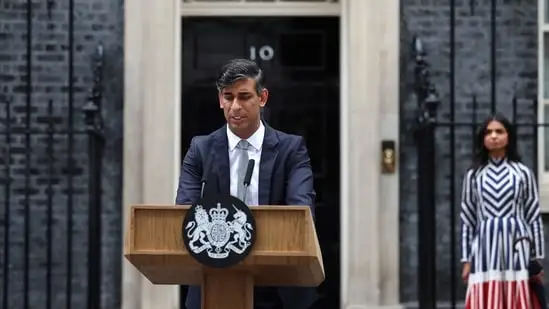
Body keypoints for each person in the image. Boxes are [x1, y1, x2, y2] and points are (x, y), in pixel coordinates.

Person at [175, 58, 318, 309]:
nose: (235, 106)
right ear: (220, 100)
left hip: (278, 288)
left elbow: (301, 217)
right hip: (214, 283)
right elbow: (184, 212)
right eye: (228, 97)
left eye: (244, 96)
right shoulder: (200, 149)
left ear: (262, 98)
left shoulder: (291, 149)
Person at [460, 113, 545, 309]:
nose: (494, 136)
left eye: (499, 131)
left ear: (509, 137)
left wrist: (537, 255)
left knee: (517, 295)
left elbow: (533, 215)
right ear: (483, 138)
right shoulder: (473, 175)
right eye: (488, 132)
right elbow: (467, 219)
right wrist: (466, 260)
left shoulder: (523, 173)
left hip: (517, 245)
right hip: (484, 247)